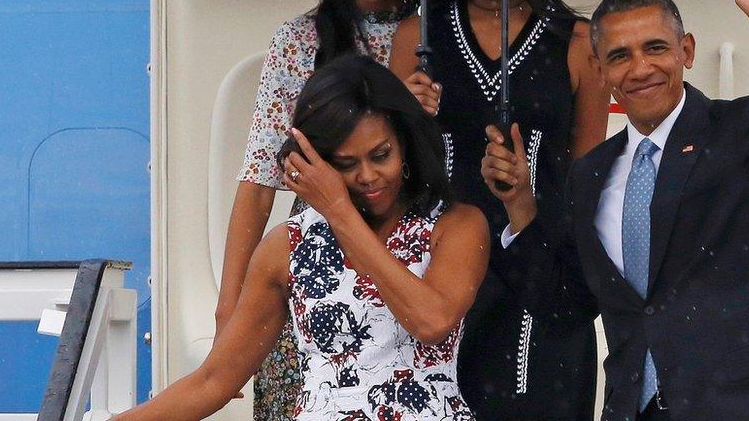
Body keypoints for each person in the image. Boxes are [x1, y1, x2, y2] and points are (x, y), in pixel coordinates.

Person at [483, 0, 749, 421]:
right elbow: (564, 308)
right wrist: (520, 207)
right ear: (602, 70)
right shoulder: (589, 176)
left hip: (746, 406)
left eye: (655, 47)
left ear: (687, 51)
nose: (640, 68)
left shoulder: (741, 128)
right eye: (619, 55)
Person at [117, 55, 488, 421]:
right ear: (316, 160)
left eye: (381, 155)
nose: (368, 175)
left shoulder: (456, 226)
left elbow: (431, 321)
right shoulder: (287, 245)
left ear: (404, 144)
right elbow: (214, 381)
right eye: (346, 164)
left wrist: (340, 212)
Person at [390, 0, 610, 420]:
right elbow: (388, 174)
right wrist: (405, 117)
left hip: (544, 268)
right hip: (440, 267)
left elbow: (588, 180)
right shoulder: (418, 37)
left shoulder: (576, 42)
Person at [217, 0, 436, 420]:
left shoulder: (440, 38)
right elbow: (258, 181)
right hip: (317, 260)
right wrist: (228, 308)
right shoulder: (300, 40)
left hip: (412, 252)